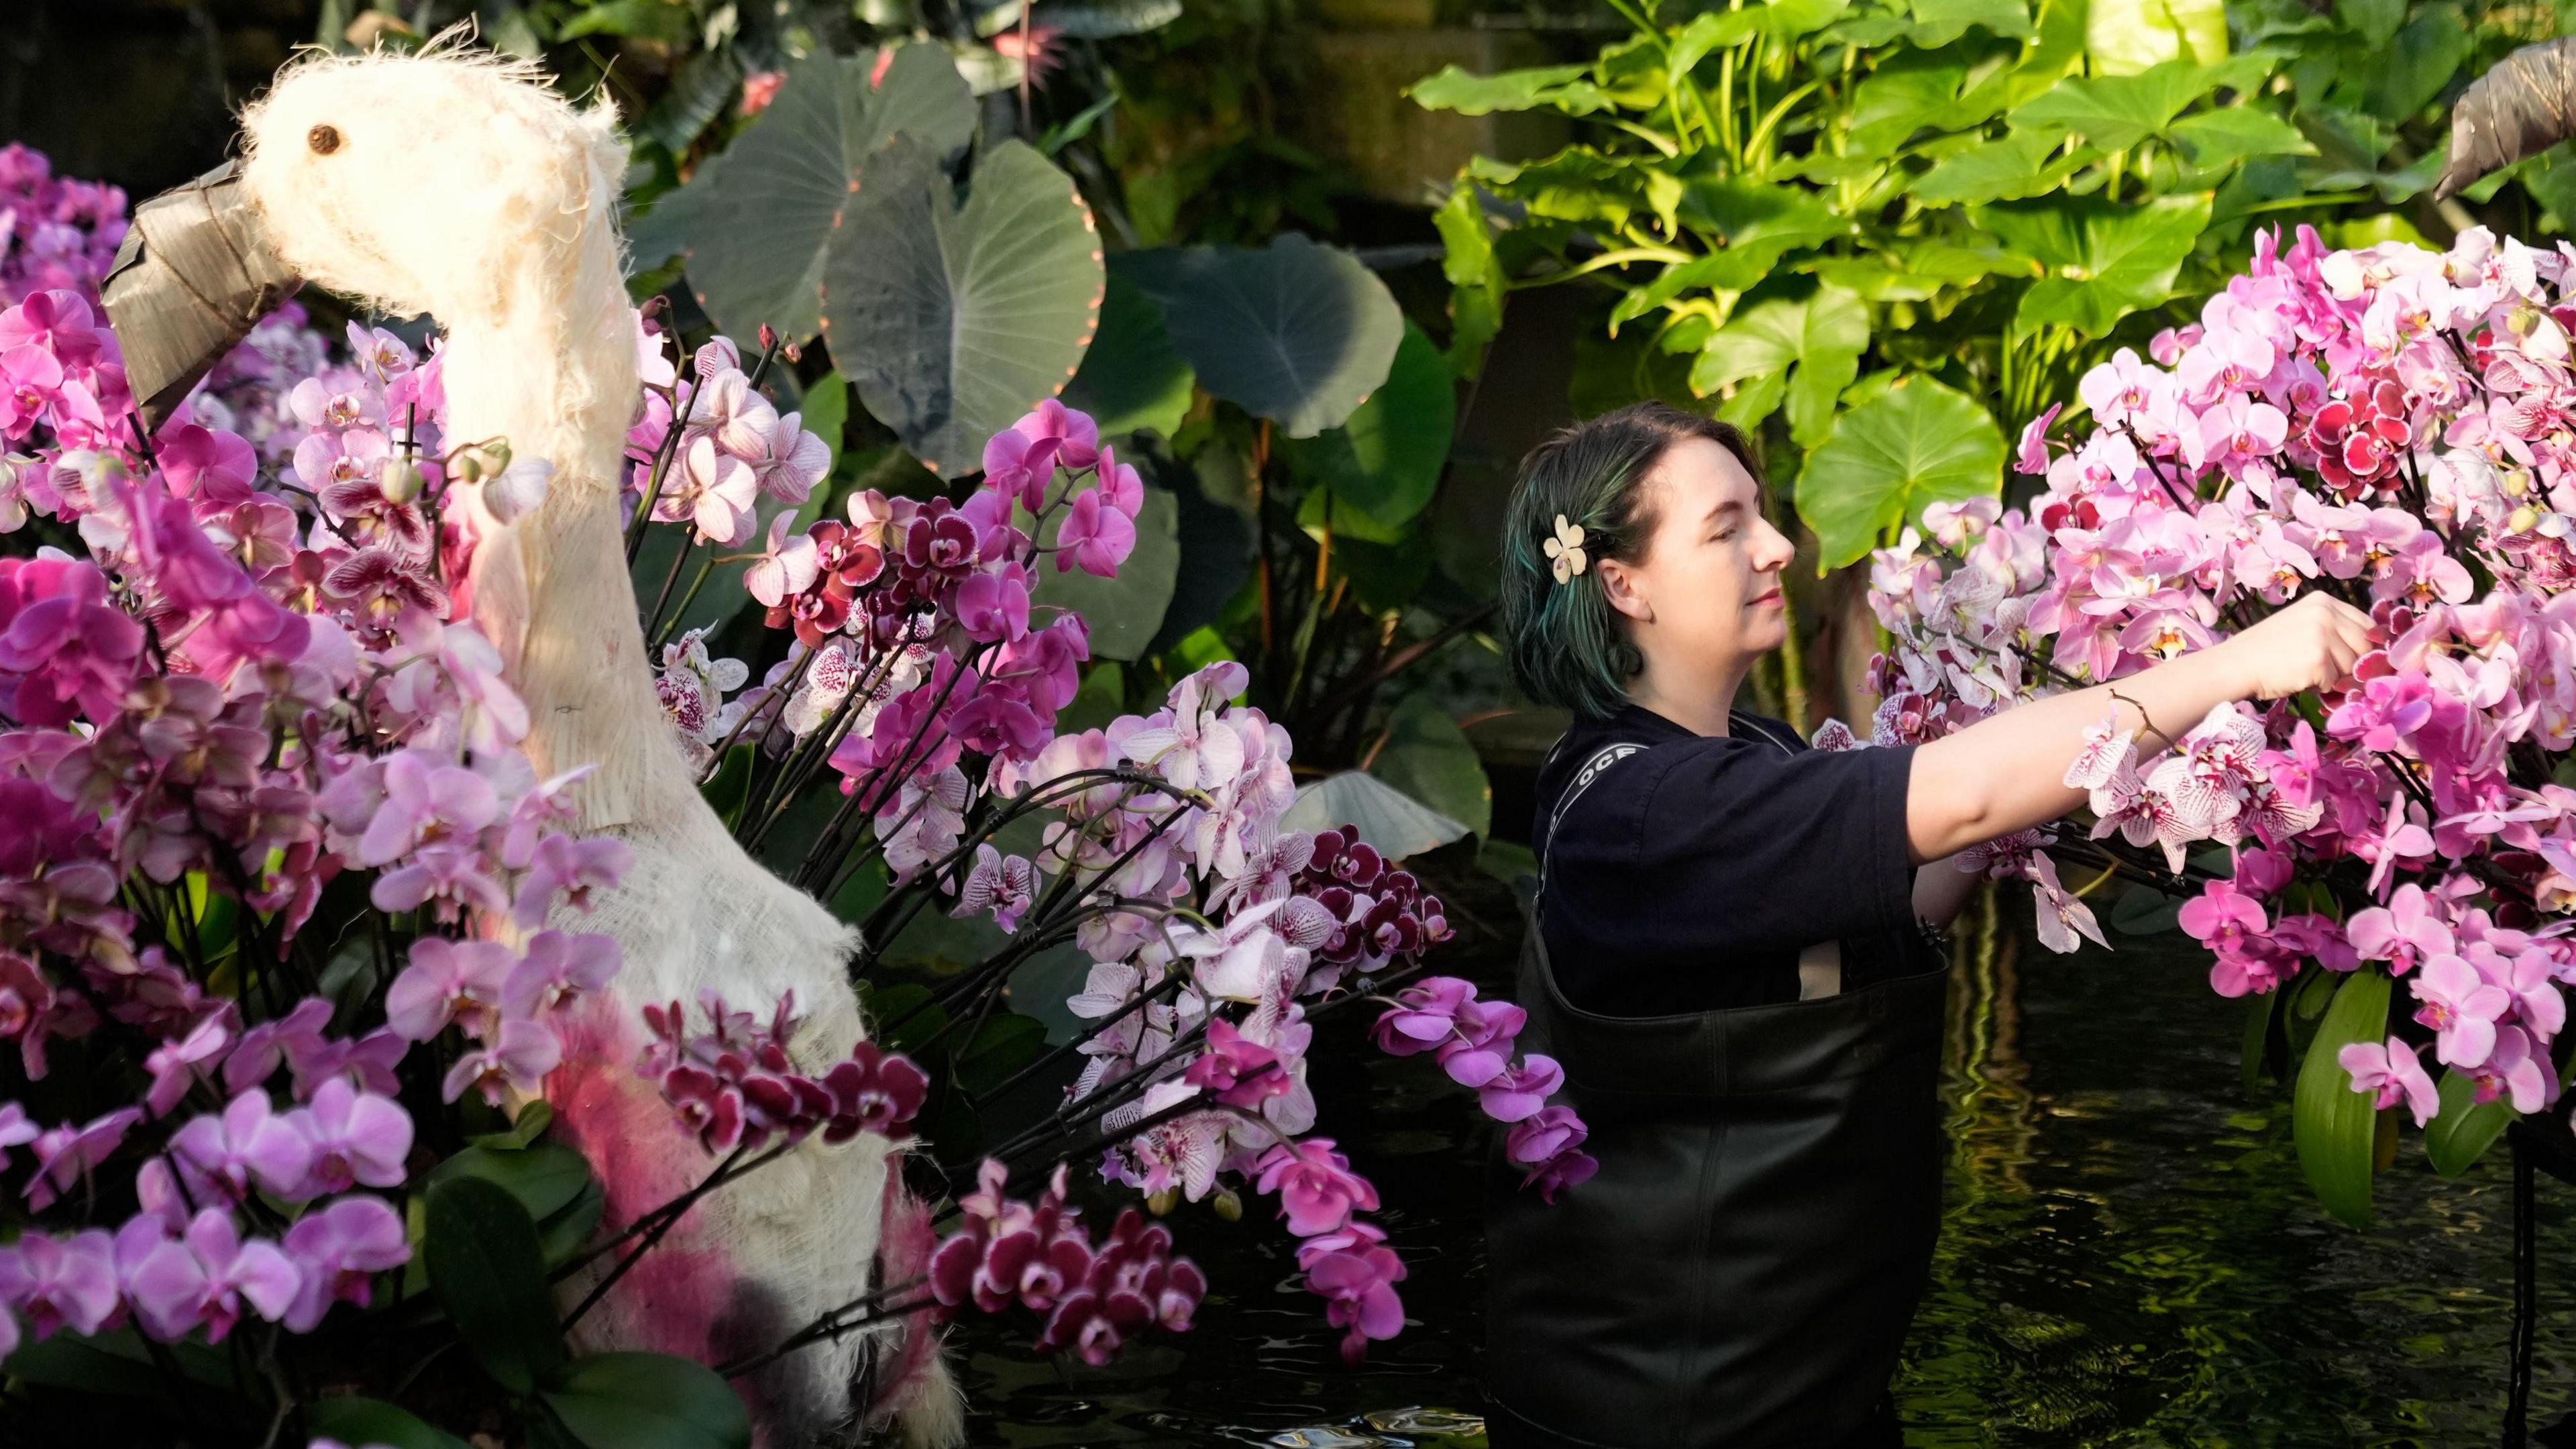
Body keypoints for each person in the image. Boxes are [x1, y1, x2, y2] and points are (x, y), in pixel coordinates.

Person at [1483, 400, 2371, 1448]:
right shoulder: (1644, 810)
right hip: (1670, 1412)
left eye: (1760, 515)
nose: (1777, 547)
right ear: (1623, 583)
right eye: (1726, 528)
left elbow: (1893, 894)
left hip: (1791, 1380)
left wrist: (2067, 785)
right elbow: (1954, 801)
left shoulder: (1741, 759)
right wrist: (2232, 666)